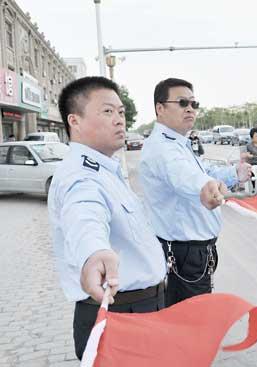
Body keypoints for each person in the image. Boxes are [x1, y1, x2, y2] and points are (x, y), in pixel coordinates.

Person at [48, 77, 166, 360]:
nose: (119, 120)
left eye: (121, 112)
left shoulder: (105, 169)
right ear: (74, 121)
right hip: (119, 314)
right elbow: (84, 215)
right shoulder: (80, 176)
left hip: (141, 308)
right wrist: (94, 253)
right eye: (107, 111)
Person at [139, 78, 251, 306]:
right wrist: (206, 187)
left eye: (193, 103)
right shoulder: (163, 148)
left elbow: (201, 169)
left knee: (189, 321)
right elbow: (185, 175)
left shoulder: (178, 142)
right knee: (191, 327)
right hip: (184, 254)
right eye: (182, 102)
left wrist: (233, 173)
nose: (190, 108)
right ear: (160, 108)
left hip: (192, 252)